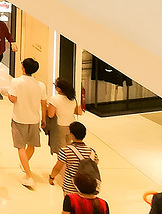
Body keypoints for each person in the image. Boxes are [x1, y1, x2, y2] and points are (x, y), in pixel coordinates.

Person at [8, 57, 48, 189]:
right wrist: (44, 119)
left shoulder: (16, 82)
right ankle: (24, 163)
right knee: (31, 145)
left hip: (19, 118)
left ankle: (29, 175)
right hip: (34, 119)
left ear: (23, 68)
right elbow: (43, 103)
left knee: (20, 147)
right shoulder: (41, 85)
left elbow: (13, 99)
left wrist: (9, 95)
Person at [50, 121, 100, 196]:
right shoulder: (92, 152)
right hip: (87, 189)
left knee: (71, 206)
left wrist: (51, 177)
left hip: (70, 188)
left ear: (72, 135)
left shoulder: (66, 151)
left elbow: (57, 168)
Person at [47, 77, 82, 155]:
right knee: (70, 148)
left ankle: (63, 166)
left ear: (59, 88)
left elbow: (50, 114)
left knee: (62, 151)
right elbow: (79, 112)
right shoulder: (73, 99)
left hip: (60, 126)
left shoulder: (54, 99)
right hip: (72, 126)